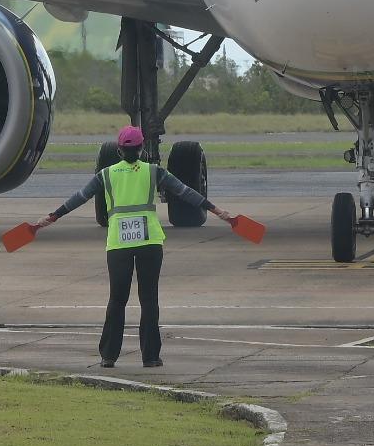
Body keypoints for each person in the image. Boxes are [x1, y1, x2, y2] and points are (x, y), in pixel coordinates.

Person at [32, 126, 235, 369]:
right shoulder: (153, 172)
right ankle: (150, 357)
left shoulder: (106, 175)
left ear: (118, 150)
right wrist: (218, 211)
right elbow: (186, 192)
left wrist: (53, 217)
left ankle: (109, 356)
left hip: (118, 244)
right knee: (149, 299)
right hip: (149, 243)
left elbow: (79, 197)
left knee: (117, 300)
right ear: (141, 150)